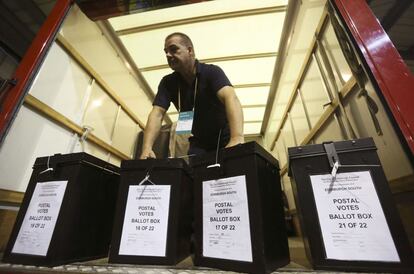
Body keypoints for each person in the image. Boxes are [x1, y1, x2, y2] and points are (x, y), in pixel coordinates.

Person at [140, 32, 244, 159]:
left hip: (224, 138)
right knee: (195, 174)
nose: (168, 55)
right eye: (165, 51)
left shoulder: (211, 72)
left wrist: (237, 137)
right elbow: (157, 114)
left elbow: (230, 97)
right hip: (198, 142)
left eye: (173, 49)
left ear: (189, 50)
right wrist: (146, 148)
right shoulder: (167, 83)